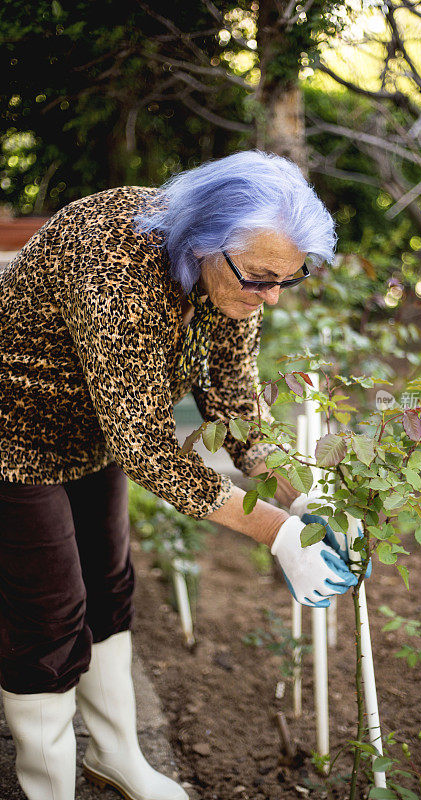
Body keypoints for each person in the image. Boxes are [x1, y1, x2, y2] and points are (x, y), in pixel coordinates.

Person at [0, 150, 359, 800]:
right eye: (259, 278)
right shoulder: (114, 265)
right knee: (48, 616)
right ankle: (44, 790)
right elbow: (146, 449)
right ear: (204, 246)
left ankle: (116, 758)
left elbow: (235, 398)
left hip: (95, 433)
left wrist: (306, 494)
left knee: (109, 590)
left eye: (289, 279)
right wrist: (275, 532)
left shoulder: (237, 274)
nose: (271, 295)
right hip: (13, 431)